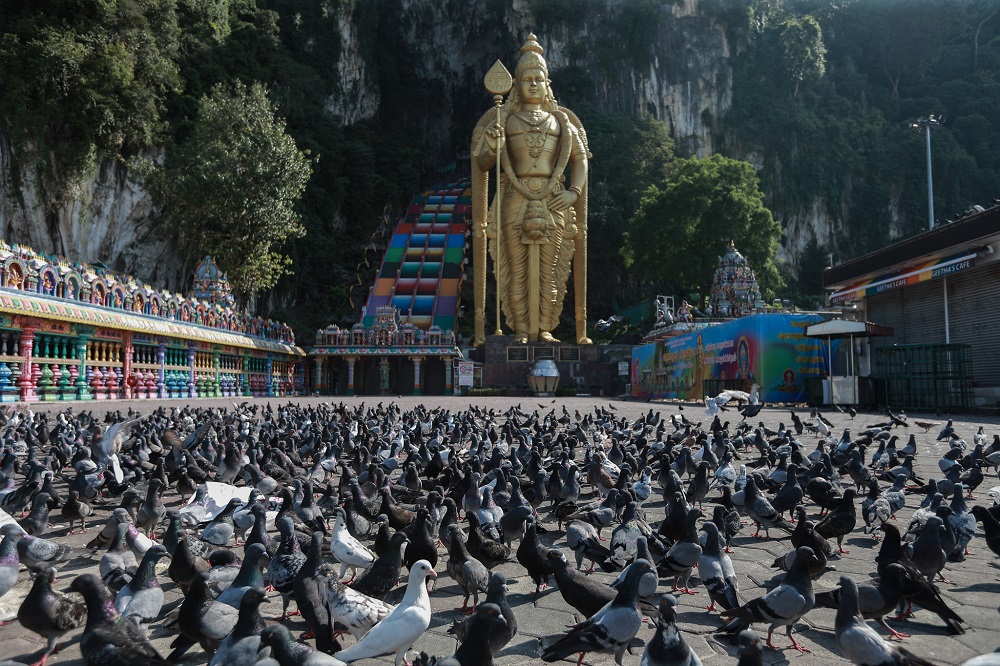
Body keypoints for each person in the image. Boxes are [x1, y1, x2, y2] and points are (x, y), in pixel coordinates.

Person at [472, 34, 591, 345]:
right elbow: (483, 163)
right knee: (517, 268)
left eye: (539, 78)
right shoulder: (505, 119)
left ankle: (546, 328)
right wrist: (493, 147)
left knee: (550, 271)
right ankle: (522, 330)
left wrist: (573, 193)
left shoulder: (561, 121)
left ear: (547, 83)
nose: (534, 84)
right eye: (527, 79)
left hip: (554, 198)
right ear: (517, 85)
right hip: (514, 195)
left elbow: (580, 160)